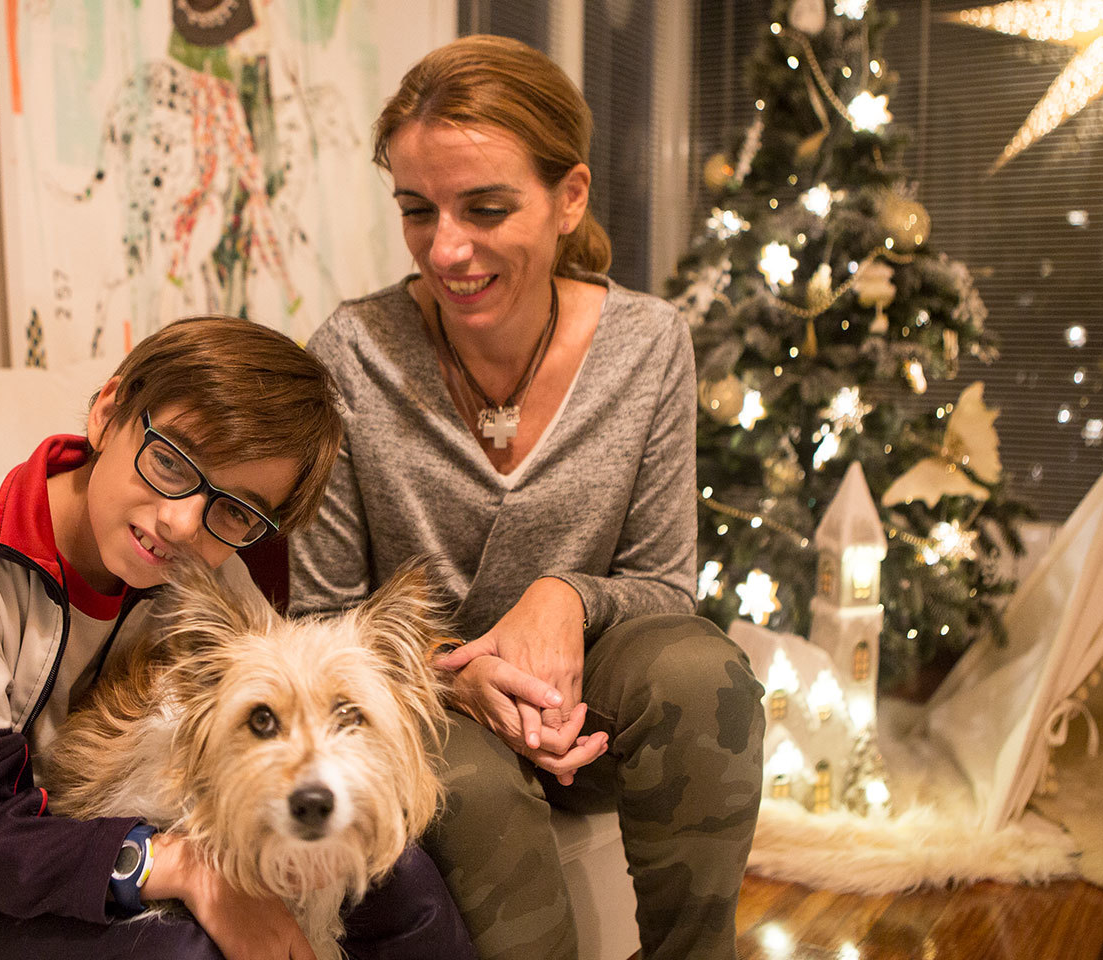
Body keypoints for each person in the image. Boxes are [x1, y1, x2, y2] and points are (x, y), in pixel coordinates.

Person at [0, 316, 476, 960]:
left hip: (111, 814)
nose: (180, 521)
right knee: (182, 949)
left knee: (402, 881)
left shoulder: (212, 571)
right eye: (171, 460)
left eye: (235, 509)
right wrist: (191, 871)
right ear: (107, 412)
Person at [288, 36, 766, 960]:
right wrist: (454, 672)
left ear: (570, 197)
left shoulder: (648, 344)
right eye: (417, 211)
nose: (447, 248)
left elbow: (667, 586)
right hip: (424, 699)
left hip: (588, 697)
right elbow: (322, 617)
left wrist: (566, 595)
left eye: (487, 207)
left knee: (704, 674)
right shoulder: (351, 354)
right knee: (467, 786)